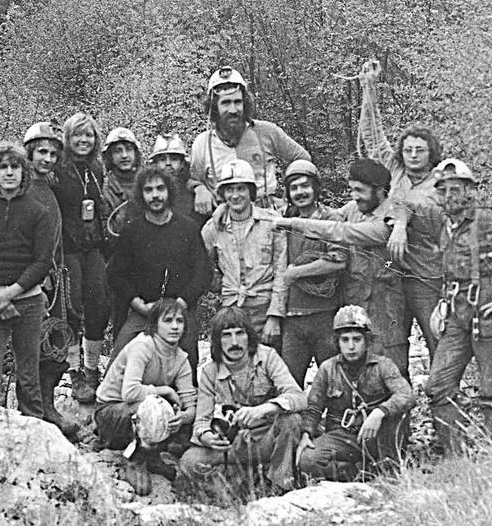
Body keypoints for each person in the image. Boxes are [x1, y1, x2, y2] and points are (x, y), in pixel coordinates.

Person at [417, 159, 492, 449]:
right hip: (455, 315)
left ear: (469, 191)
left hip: (487, 315)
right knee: (438, 386)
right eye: (443, 191)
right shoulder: (445, 227)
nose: (449, 197)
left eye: (455, 190)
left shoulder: (486, 223)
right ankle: (456, 454)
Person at [275, 158, 410, 377]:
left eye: (360, 190)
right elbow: (328, 215)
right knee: (360, 371)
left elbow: (338, 231)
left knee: (392, 368)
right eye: (352, 190)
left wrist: (293, 224)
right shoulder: (355, 208)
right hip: (354, 301)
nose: (354, 196)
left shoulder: (388, 222)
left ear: (379, 191)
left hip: (386, 306)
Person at [357, 60, 444, 363]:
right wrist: (369, 90)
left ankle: (445, 401)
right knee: (393, 344)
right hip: (392, 273)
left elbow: (429, 213)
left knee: (437, 338)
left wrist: (400, 223)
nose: (414, 155)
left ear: (431, 152)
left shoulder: (440, 183)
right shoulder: (395, 170)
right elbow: (373, 137)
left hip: (426, 275)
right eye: (408, 150)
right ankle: (401, 402)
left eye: (420, 150)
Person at [0, 142, 57, 419]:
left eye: (15, 167)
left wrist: (11, 293)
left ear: (23, 171)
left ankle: (34, 429)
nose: (9, 173)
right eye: (3, 167)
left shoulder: (39, 212)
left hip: (28, 302)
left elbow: (42, 262)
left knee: (28, 375)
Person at [177, 307, 306, 492]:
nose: (234, 342)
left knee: (291, 420)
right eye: (226, 335)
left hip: (266, 440)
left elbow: (298, 397)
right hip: (234, 444)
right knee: (190, 462)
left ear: (249, 336)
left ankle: (280, 485)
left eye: (240, 333)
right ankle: (241, 487)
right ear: (217, 341)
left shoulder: (267, 357)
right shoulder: (209, 372)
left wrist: (265, 409)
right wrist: (207, 437)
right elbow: (201, 422)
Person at [106, 165, 211, 379]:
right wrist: (138, 304)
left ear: (169, 191)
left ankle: (185, 408)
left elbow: (203, 273)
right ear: (140, 195)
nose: (155, 195)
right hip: (144, 311)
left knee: (188, 367)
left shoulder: (188, 228)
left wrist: (182, 303)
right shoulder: (132, 230)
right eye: (148, 190)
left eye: (160, 188)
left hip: (180, 309)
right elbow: (116, 274)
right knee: (116, 367)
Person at [297, 305, 415, 481]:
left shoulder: (383, 365)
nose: (351, 346)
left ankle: (386, 468)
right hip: (343, 436)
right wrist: (306, 433)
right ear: (337, 342)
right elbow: (314, 407)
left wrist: (379, 412)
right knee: (307, 460)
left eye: (357, 339)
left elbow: (406, 395)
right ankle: (354, 474)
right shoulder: (328, 368)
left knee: (391, 465)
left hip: (378, 436)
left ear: (366, 341)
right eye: (345, 340)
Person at [95, 299, 196, 493]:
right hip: (111, 412)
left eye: (179, 321)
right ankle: (135, 460)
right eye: (167, 320)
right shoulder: (143, 345)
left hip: (142, 409)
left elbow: (189, 403)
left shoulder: (181, 358)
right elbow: (130, 393)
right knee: (153, 405)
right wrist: (165, 390)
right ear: (155, 324)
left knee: (170, 409)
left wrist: (182, 417)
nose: (175, 327)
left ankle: (152, 456)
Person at [22, 121, 80, 439]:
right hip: (37, 279)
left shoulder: (48, 187)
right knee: (35, 344)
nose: (47, 159)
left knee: (56, 343)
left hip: (56, 276)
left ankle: (48, 405)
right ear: (29, 153)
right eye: (41, 152)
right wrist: (37, 277)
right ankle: (35, 409)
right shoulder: (23, 187)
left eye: (53, 154)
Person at [189, 66, 310, 215]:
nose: (233, 110)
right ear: (214, 108)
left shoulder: (266, 131)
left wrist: (290, 199)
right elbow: (193, 179)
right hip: (224, 220)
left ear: (245, 104)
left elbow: (302, 159)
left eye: (237, 102)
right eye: (225, 103)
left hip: (267, 215)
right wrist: (200, 189)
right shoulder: (202, 143)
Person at [201, 159, 288, 349]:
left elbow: (282, 270)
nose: (235, 195)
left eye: (241, 189)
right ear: (223, 193)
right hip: (231, 309)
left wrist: (275, 316)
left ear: (251, 192)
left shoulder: (271, 223)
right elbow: (201, 264)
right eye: (230, 190)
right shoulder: (213, 228)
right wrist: (219, 285)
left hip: (265, 310)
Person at [52, 112, 109, 403]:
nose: (83, 140)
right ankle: (74, 372)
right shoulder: (59, 169)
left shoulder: (96, 168)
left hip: (93, 244)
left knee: (99, 303)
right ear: (67, 138)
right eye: (77, 135)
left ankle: (92, 367)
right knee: (71, 306)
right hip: (68, 248)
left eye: (88, 135)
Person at [278, 160, 346, 388]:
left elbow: (338, 261)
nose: (300, 192)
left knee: (334, 384)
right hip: (292, 319)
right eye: (294, 188)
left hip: (324, 315)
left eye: (305, 186)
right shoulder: (285, 219)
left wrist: (297, 273)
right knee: (289, 386)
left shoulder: (330, 219)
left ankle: (337, 424)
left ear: (316, 188)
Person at [102, 126, 143, 254]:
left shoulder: (149, 183)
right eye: (118, 151)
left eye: (129, 149)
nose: (124, 155)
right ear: (110, 156)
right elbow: (107, 235)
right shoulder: (105, 189)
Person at [148, 133, 199, 222]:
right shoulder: (148, 190)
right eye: (162, 159)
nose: (168, 163)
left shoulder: (193, 189)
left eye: (174, 159)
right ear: (155, 164)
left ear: (182, 163)